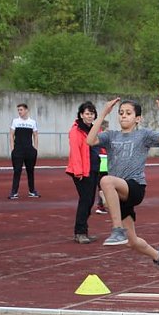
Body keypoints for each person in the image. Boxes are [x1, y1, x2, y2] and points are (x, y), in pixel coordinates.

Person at [86, 90, 159, 279]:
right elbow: (90, 140)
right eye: (121, 113)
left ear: (138, 118)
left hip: (134, 187)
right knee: (132, 242)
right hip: (118, 196)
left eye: (128, 113)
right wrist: (102, 114)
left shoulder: (143, 135)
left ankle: (117, 229)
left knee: (105, 180)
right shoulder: (110, 136)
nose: (123, 116)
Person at [65, 102, 101, 243]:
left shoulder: (94, 129)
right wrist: (79, 172)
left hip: (93, 169)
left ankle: (83, 231)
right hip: (81, 172)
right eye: (87, 113)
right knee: (85, 200)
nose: (90, 116)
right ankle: (80, 232)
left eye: (92, 114)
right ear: (81, 115)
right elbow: (75, 152)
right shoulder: (76, 131)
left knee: (90, 200)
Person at [8, 103, 40, 199]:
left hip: (29, 150)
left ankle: (32, 191)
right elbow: (11, 135)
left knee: (30, 171)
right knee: (17, 171)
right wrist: (13, 149)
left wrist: (35, 148)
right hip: (18, 150)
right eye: (18, 110)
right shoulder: (15, 121)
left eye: (21, 110)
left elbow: (35, 135)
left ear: (26, 110)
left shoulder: (32, 122)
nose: (19, 112)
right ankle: (14, 192)